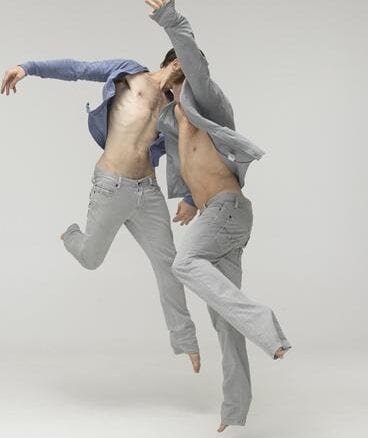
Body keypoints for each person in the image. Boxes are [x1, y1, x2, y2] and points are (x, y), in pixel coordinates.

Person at [0, 48, 202, 370]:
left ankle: (186, 341)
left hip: (148, 192)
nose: (196, 84)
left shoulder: (175, 107)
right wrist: (29, 67)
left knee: (169, 265)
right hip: (111, 186)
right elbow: (78, 69)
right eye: (194, 74)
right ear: (177, 63)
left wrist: (190, 198)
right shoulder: (128, 74)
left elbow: (185, 153)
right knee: (91, 259)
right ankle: (71, 235)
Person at [146, 0, 293, 432]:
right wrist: (190, 200)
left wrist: (170, 19)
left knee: (183, 263)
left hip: (228, 210)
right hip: (218, 213)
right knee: (223, 319)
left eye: (177, 64)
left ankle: (265, 324)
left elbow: (192, 58)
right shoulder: (171, 119)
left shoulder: (205, 100)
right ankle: (234, 412)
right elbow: (192, 162)